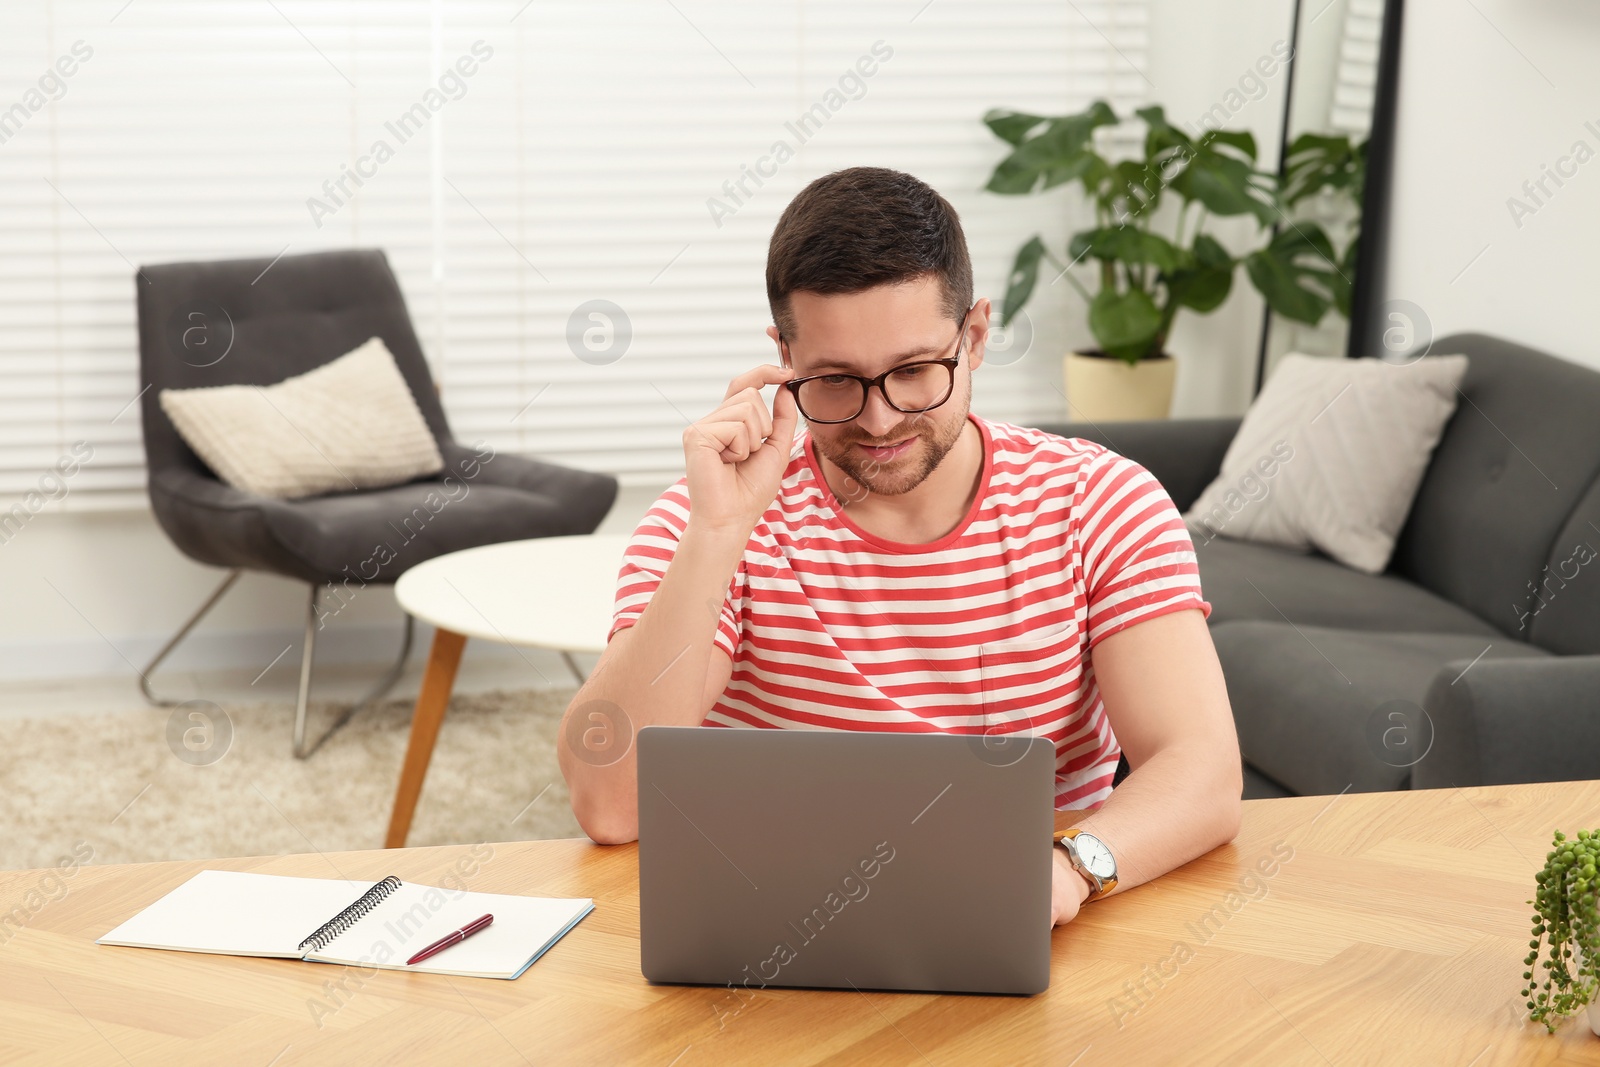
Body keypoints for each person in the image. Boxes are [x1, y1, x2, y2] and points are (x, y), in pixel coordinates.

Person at [559, 166, 1242, 926]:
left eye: (915, 372)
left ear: (975, 337)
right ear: (784, 357)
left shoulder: (1102, 503)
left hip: (1019, 921)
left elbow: (1202, 769)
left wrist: (1068, 868)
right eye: (836, 380)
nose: (880, 421)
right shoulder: (710, 516)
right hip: (763, 933)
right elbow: (611, 803)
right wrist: (717, 538)